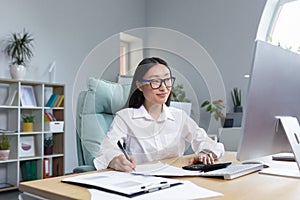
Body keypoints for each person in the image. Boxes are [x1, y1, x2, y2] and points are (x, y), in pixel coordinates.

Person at [93, 57, 224, 171]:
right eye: (155, 81)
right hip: (140, 183)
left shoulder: (179, 117)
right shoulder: (125, 117)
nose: (164, 87)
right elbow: (106, 150)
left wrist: (205, 153)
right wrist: (115, 160)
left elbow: (207, 142)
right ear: (139, 85)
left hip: (176, 182)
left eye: (167, 80)